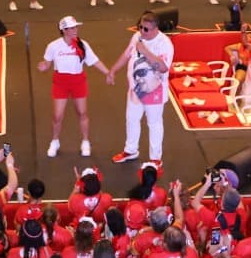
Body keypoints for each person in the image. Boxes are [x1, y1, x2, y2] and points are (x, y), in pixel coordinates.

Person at [106, 12, 174, 165]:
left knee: (154, 123)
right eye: (140, 27)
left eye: (146, 29)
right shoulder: (137, 36)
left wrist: (145, 51)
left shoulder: (164, 43)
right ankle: (130, 150)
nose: (142, 31)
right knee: (131, 119)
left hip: (154, 90)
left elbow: (163, 68)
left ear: (156, 28)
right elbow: (127, 54)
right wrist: (113, 70)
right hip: (135, 89)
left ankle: (155, 158)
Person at [39, 16, 102, 159]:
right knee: (57, 116)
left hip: (78, 81)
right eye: (72, 28)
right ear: (64, 30)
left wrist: (108, 72)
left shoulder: (82, 45)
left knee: (82, 113)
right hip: (60, 81)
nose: (75, 30)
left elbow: (94, 61)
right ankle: (55, 141)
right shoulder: (53, 46)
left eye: (76, 27)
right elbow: (47, 63)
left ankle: (85, 141)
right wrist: (43, 67)